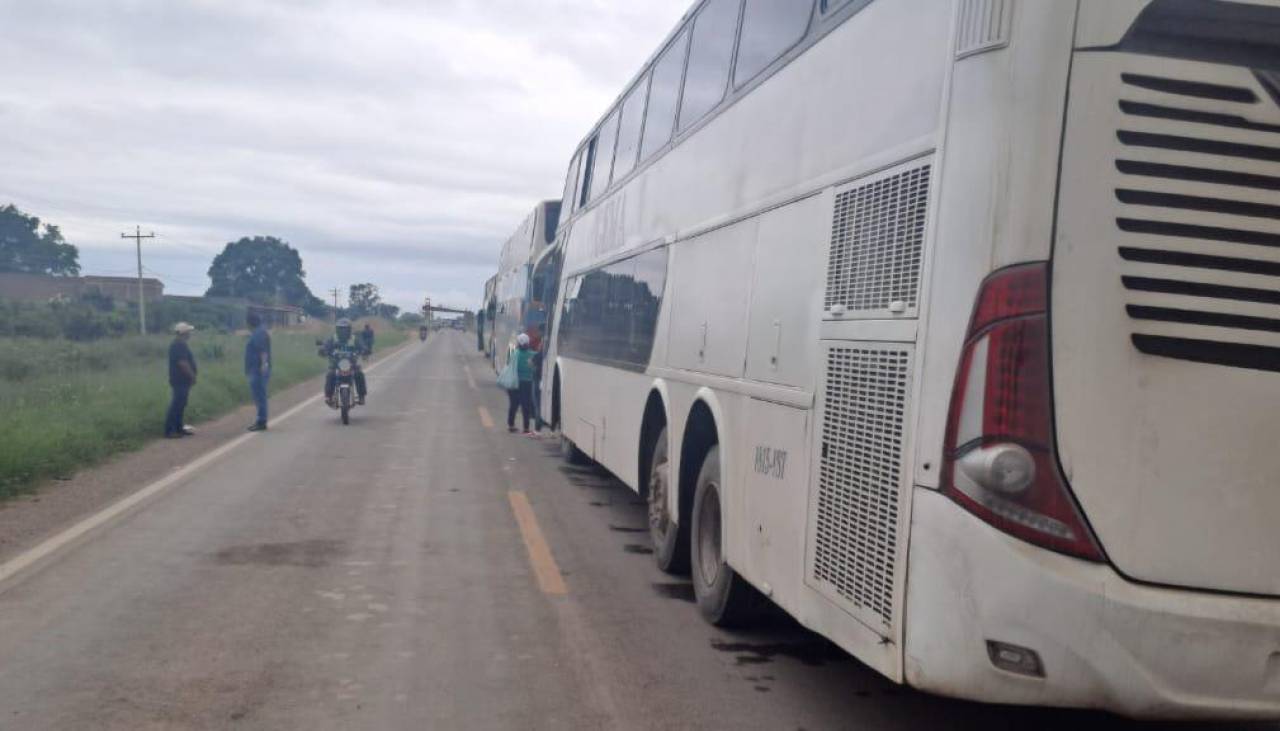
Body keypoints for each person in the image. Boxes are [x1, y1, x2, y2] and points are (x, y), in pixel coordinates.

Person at [320, 318, 368, 405]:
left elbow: (362, 346)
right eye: (341, 329)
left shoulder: (354, 339)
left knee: (359, 374)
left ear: (349, 329)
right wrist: (323, 350)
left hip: (352, 364)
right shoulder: (333, 339)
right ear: (337, 329)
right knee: (330, 375)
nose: (343, 331)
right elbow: (326, 346)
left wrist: (364, 350)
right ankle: (328, 396)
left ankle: (361, 396)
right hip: (336, 364)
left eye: (345, 329)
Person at [165, 322, 198, 439]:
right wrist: (192, 376)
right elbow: (183, 363)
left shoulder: (179, 344)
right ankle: (170, 430)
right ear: (184, 333)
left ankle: (178, 428)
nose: (190, 333)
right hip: (180, 380)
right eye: (188, 331)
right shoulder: (179, 345)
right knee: (177, 404)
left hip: (181, 380)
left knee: (181, 404)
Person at [244, 311, 271, 432]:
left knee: (260, 396)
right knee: (259, 396)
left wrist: (263, 365)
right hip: (256, 369)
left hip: (258, 369)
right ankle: (261, 420)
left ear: (251, 323)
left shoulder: (259, 333)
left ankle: (261, 421)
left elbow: (262, 351)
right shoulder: (260, 332)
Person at [506, 333, 535, 434]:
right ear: (528, 343)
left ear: (518, 343)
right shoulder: (532, 354)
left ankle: (511, 425)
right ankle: (526, 428)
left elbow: (509, 367)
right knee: (525, 405)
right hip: (527, 383)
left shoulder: (515, 354)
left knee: (513, 405)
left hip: (514, 383)